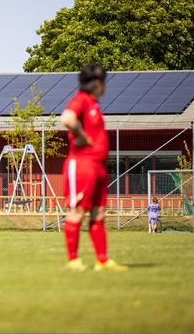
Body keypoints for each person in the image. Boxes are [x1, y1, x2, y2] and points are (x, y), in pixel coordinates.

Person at [60, 63, 127, 272]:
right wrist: (80, 135)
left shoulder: (93, 104)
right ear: (97, 83)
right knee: (78, 211)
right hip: (82, 165)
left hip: (98, 167)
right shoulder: (80, 100)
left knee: (98, 215)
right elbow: (67, 118)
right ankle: (73, 260)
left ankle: (102, 261)